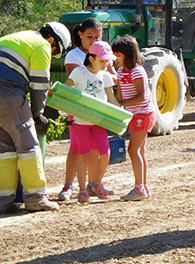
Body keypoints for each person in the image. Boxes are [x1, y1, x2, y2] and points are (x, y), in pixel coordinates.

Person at [0, 22, 71, 214]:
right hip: (5, 91)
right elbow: (40, 83)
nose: (52, 53)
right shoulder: (41, 45)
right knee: (28, 146)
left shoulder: (17, 38)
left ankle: (3, 202)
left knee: (4, 148)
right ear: (52, 39)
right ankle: (36, 199)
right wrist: (37, 114)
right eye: (55, 50)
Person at [57, 18, 112, 201]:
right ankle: (70, 185)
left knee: (96, 151)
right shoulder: (74, 56)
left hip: (96, 114)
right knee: (78, 150)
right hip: (79, 112)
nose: (93, 41)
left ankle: (93, 184)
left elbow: (108, 79)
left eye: (97, 37)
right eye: (90, 37)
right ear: (81, 35)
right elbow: (73, 85)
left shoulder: (102, 54)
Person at [64, 41, 120, 202]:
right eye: (103, 60)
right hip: (80, 122)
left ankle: (97, 183)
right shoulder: (79, 73)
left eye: (108, 61)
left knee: (105, 152)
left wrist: (122, 114)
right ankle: (82, 190)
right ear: (92, 58)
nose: (106, 64)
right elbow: (65, 89)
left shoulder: (106, 76)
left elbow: (111, 99)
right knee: (84, 154)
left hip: (98, 121)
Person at [112, 35, 157, 201]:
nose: (115, 58)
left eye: (118, 55)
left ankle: (139, 188)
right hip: (135, 115)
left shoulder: (137, 72)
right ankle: (143, 186)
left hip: (142, 114)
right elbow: (120, 95)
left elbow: (141, 97)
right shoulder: (121, 72)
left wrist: (123, 103)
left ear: (127, 55)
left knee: (133, 150)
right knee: (140, 151)